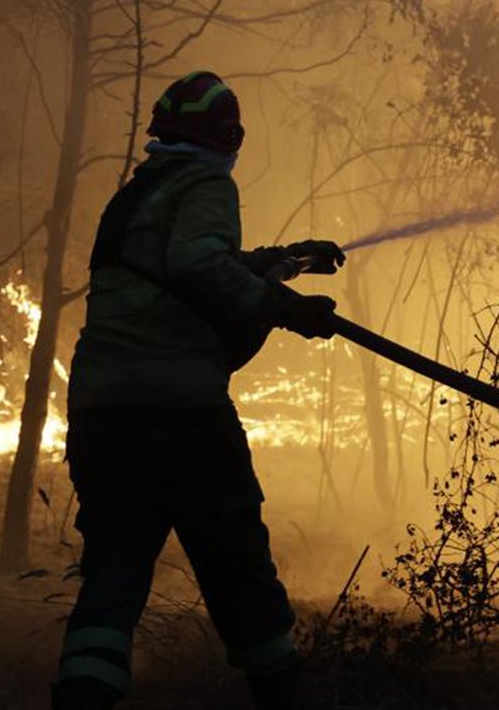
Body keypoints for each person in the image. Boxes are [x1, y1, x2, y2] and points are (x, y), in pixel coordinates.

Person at [51, 70, 345, 710]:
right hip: (181, 414)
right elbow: (198, 266)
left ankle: (81, 696)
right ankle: (283, 693)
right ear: (227, 136)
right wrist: (287, 309)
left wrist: (286, 258)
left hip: (103, 417)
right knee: (237, 564)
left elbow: (184, 265)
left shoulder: (136, 197)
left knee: (115, 572)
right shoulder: (208, 181)